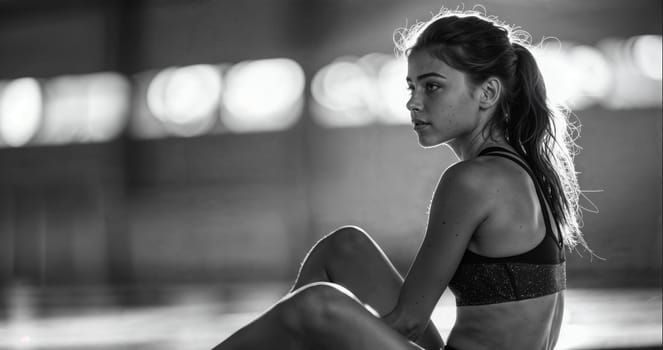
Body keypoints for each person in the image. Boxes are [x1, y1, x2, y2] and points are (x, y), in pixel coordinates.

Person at [211, 8, 591, 350]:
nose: (413, 102)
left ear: (487, 92)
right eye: (412, 87)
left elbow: (409, 321)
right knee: (344, 247)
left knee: (314, 308)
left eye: (432, 86)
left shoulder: (473, 180)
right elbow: (415, 317)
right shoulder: (521, 171)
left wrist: (335, 331)